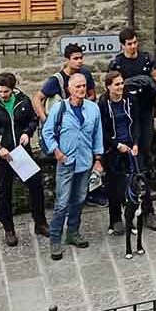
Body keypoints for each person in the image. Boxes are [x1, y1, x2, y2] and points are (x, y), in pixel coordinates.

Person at [0, 71, 44, 246]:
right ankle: (9, 229)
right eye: (0, 91)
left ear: (12, 89)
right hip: (4, 156)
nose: (2, 95)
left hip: (22, 152)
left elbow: (33, 120)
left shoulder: (24, 101)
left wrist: (27, 133)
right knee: (4, 193)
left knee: (36, 186)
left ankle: (40, 222)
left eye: (6, 92)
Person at [44, 71, 106, 256]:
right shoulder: (59, 108)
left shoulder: (93, 109)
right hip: (66, 162)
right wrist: (57, 152)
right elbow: (47, 132)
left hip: (85, 162)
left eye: (83, 86)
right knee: (62, 203)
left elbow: (98, 135)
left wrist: (98, 160)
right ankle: (55, 239)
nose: (81, 89)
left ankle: (73, 232)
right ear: (69, 89)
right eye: (77, 86)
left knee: (79, 199)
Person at [99, 71, 156, 238]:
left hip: (131, 146)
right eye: (116, 84)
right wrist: (116, 145)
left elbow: (136, 122)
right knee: (114, 184)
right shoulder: (103, 104)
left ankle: (148, 213)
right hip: (113, 148)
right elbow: (102, 130)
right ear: (108, 86)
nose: (120, 87)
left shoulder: (130, 100)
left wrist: (136, 142)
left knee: (141, 179)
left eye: (122, 83)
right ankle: (116, 219)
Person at [106, 28, 156, 171]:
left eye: (135, 42)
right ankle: (130, 178)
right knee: (129, 142)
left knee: (146, 142)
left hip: (146, 106)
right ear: (123, 45)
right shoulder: (117, 63)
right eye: (129, 44)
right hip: (126, 109)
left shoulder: (146, 59)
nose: (133, 46)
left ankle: (144, 176)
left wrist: (148, 82)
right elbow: (111, 85)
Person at [37, 45, 97, 121]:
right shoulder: (57, 79)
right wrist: (46, 120)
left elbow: (92, 95)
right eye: (75, 58)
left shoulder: (86, 74)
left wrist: (84, 103)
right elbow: (36, 99)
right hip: (64, 121)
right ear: (67, 60)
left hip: (83, 118)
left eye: (81, 58)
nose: (79, 61)